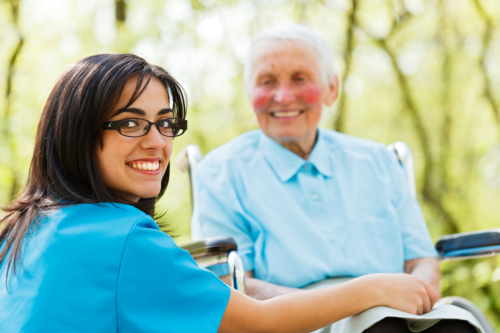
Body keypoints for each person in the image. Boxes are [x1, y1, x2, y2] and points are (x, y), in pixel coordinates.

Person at [0, 53, 457, 333]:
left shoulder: (20, 227)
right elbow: (259, 325)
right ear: (77, 134)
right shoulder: (121, 240)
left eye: (165, 123)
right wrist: (374, 287)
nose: (157, 141)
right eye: (131, 123)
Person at [192, 24, 483, 332]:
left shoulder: (378, 162)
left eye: (299, 79)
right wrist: (353, 303)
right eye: (267, 81)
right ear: (250, 93)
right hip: (297, 321)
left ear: (332, 89)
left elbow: (422, 262)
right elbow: (237, 289)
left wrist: (416, 299)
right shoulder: (220, 174)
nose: (283, 95)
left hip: (400, 314)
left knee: (457, 326)